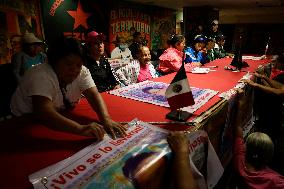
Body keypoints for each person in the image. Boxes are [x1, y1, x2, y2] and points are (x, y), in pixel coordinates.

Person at [10, 36, 126, 140]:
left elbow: (93, 95)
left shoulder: (83, 71)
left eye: (78, 65)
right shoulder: (40, 74)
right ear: (54, 62)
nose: (75, 70)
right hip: (24, 120)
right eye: (69, 64)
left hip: (59, 113)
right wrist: (80, 129)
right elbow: (43, 112)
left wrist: (106, 119)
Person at [232, 90, 284, 188]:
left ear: (246, 149)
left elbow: (238, 130)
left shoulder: (239, 161)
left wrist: (240, 107)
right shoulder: (276, 180)